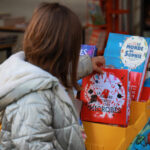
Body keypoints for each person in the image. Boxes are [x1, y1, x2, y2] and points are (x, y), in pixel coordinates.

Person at [0, 2, 105, 150]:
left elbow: (59, 73)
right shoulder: (32, 100)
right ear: (66, 52)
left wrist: (86, 65)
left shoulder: (35, 74)